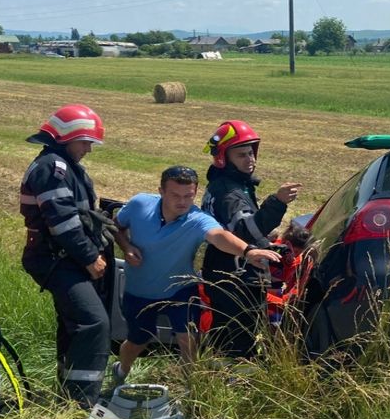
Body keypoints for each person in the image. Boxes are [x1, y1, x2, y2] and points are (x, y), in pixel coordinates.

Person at [110, 165, 281, 384]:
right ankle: (121, 371)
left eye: (188, 196)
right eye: (175, 195)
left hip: (181, 289)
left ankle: (191, 387)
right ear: (161, 191)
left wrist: (248, 251)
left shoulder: (197, 218)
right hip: (141, 290)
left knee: (189, 339)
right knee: (138, 341)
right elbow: (116, 226)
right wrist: (126, 246)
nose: (182, 202)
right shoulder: (139, 204)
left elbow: (219, 236)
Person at [20, 103, 112, 409]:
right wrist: (89, 257)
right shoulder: (52, 168)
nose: (89, 148)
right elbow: (64, 222)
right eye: (86, 141)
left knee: (73, 324)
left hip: (64, 257)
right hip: (57, 258)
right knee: (93, 322)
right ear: (68, 137)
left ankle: (68, 394)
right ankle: (83, 402)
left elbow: (82, 215)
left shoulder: (62, 165)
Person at [200, 120, 302, 358]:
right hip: (235, 275)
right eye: (242, 154)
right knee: (238, 340)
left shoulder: (233, 185)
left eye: (252, 153)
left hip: (230, 269)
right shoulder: (228, 192)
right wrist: (277, 203)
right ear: (224, 158)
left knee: (230, 334)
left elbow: (240, 229)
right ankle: (234, 383)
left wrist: (266, 241)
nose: (251, 159)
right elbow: (246, 231)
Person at [265, 223, 313, 329]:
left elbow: (293, 283)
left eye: (299, 253)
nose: (295, 256)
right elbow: (261, 289)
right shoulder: (272, 252)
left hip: (275, 286)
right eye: (294, 251)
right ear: (286, 244)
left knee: (275, 322)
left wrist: (291, 295)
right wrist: (280, 301)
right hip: (263, 284)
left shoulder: (298, 259)